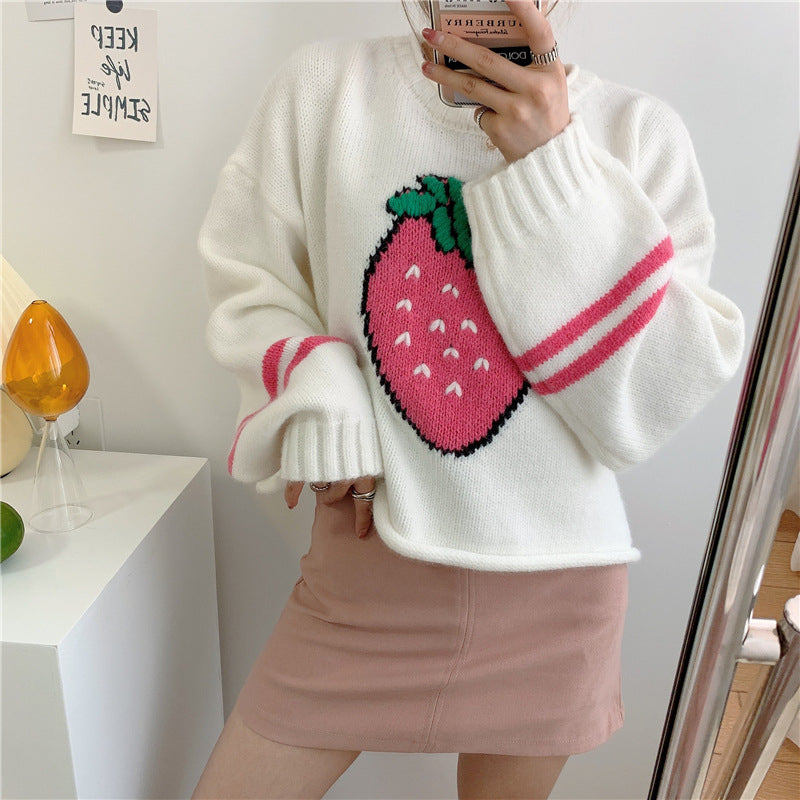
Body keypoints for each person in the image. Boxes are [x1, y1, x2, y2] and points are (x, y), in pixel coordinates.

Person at [193, 1, 746, 797]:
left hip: (557, 595)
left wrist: (554, 163)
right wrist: (319, 386)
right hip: (367, 570)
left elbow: (650, 398)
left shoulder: (638, 134)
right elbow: (249, 276)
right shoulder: (323, 92)